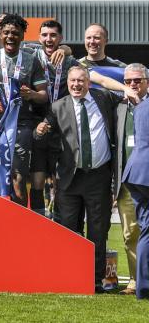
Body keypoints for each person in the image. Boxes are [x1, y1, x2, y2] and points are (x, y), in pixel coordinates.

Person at [35, 66, 122, 293]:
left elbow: (125, 94)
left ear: (88, 83)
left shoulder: (104, 99)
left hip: (99, 177)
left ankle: (95, 280)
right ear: (68, 82)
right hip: (69, 178)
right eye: (73, 81)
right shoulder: (57, 106)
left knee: (98, 230)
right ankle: (71, 275)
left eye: (81, 81)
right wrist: (39, 131)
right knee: (69, 229)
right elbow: (42, 135)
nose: (76, 85)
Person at [0, 14, 48, 207]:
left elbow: (43, 95)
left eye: (15, 33)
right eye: (6, 32)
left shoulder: (32, 60)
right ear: (0, 34)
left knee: (18, 179)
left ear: (22, 35)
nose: (10, 36)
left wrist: (32, 94)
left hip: (21, 125)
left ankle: (20, 230)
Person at [116, 64, 147, 294]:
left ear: (146, 81)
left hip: (142, 175)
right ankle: (138, 281)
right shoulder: (117, 106)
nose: (133, 85)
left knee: (145, 230)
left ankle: (143, 282)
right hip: (129, 179)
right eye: (128, 81)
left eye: (137, 80)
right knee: (131, 233)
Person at [123, 97, 149, 300]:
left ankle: (143, 287)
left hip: (135, 172)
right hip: (145, 172)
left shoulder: (141, 106)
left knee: (146, 230)